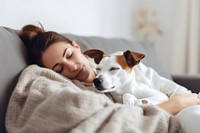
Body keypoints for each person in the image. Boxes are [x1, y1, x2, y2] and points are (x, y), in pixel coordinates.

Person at [19, 24, 200, 132]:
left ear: (76, 46)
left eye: (69, 55)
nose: (72, 67)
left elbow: (168, 87)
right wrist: (175, 104)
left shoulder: (119, 61)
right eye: (60, 69)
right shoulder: (74, 90)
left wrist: (188, 99)